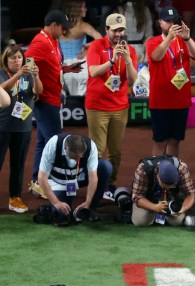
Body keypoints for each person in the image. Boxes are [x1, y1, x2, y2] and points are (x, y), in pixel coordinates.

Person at [25, 10, 83, 199]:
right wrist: (32, 89)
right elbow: (26, 64)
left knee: (44, 142)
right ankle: (53, 184)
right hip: (45, 101)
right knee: (56, 145)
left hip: (53, 99)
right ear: (54, 25)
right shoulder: (40, 42)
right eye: (62, 27)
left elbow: (53, 67)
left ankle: (37, 181)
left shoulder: (53, 41)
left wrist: (67, 69)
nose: (65, 31)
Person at [86, 13, 138, 200]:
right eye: (115, 30)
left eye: (121, 30)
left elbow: (132, 80)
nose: (118, 34)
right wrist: (112, 60)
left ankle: (109, 183)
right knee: (98, 150)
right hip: (98, 106)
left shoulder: (129, 50)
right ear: (106, 30)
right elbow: (93, 72)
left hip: (119, 107)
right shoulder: (96, 46)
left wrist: (128, 59)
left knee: (115, 151)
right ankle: (96, 186)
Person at [146, 5, 195, 156]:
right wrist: (169, 38)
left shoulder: (183, 41)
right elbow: (156, 56)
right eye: (167, 21)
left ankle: (172, 174)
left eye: (174, 21)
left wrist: (188, 38)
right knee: (160, 142)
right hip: (161, 102)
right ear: (160, 22)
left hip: (180, 101)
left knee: (175, 141)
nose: (171, 24)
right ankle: (156, 174)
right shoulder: (153, 41)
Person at [0, 45, 43, 213]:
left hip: (23, 127)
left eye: (19, 57)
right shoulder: (3, 74)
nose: (17, 61)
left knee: (18, 165)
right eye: (13, 58)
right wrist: (18, 75)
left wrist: (36, 76)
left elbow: (38, 91)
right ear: (6, 60)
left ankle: (15, 197)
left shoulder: (30, 74)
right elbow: (3, 88)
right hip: (3, 127)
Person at [37, 133, 112, 221]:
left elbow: (93, 178)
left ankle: (92, 207)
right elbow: (41, 178)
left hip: (78, 177)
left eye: (80, 157)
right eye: (74, 157)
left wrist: (88, 202)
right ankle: (48, 208)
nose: (78, 160)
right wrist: (56, 203)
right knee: (63, 215)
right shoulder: (53, 144)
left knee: (105, 166)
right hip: (58, 181)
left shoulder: (90, 146)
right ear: (65, 149)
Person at [130, 155, 195, 227]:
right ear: (158, 175)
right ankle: (154, 215)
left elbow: (190, 193)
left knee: (178, 222)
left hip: (171, 199)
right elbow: (136, 196)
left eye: (172, 186)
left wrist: (183, 208)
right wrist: (154, 207)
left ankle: (163, 216)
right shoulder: (143, 170)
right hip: (148, 199)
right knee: (140, 222)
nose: (167, 188)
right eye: (164, 185)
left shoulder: (182, 169)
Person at [59, 0, 102, 96]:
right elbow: (100, 39)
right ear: (77, 9)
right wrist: (89, 49)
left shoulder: (59, 26)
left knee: (64, 100)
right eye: (84, 7)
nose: (86, 9)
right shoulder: (84, 26)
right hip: (79, 66)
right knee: (79, 99)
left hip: (62, 67)